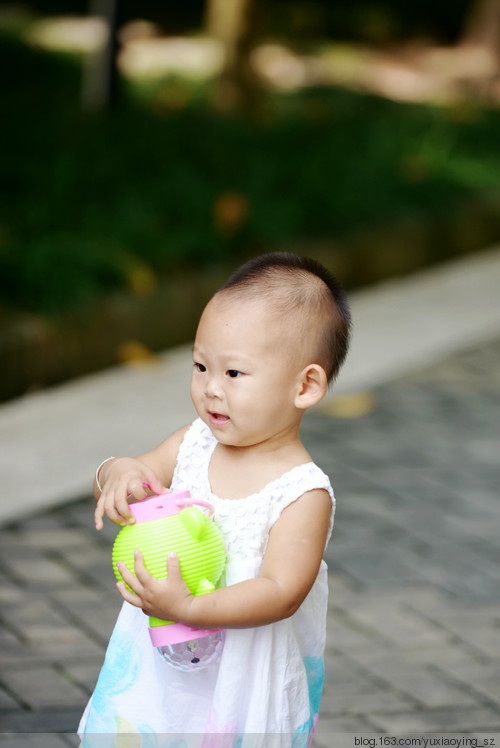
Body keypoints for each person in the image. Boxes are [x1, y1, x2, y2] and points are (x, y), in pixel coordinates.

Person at [78, 252, 351, 747]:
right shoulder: (192, 444)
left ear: (305, 385)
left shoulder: (301, 492)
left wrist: (192, 606)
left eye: (234, 374)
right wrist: (116, 473)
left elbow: (281, 592)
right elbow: (132, 475)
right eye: (201, 365)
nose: (209, 389)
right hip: (161, 669)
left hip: (239, 680)